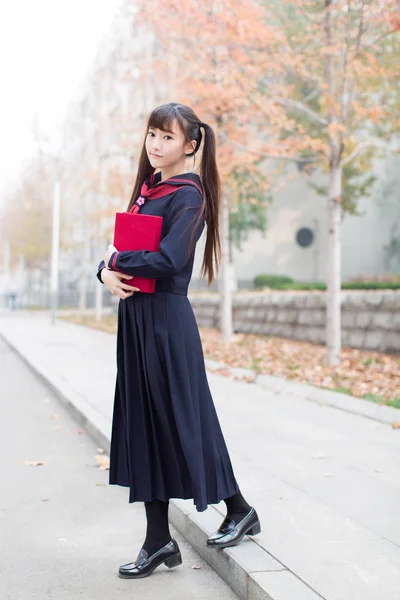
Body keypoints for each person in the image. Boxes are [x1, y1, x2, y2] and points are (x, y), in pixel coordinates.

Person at [96, 102, 260, 580]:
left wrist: (114, 264)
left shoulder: (189, 195)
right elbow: (117, 254)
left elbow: (169, 261)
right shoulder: (149, 192)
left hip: (167, 322)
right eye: (151, 134)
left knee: (186, 420)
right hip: (137, 321)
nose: (155, 144)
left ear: (190, 145)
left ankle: (239, 508)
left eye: (166, 137)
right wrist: (105, 271)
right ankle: (157, 540)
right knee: (146, 424)